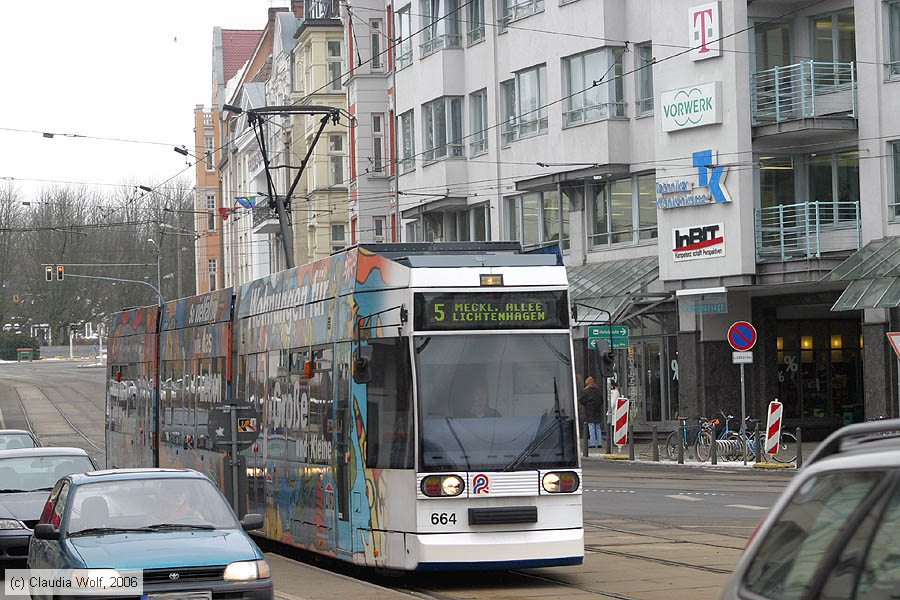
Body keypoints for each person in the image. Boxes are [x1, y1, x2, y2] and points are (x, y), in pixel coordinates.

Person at [579, 377, 604, 447]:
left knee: (591, 427)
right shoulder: (598, 391)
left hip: (589, 411)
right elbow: (601, 401)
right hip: (597, 411)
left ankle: (592, 444)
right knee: (598, 428)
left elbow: (581, 400)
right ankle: (600, 443)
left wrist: (586, 405)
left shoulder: (586, 391)